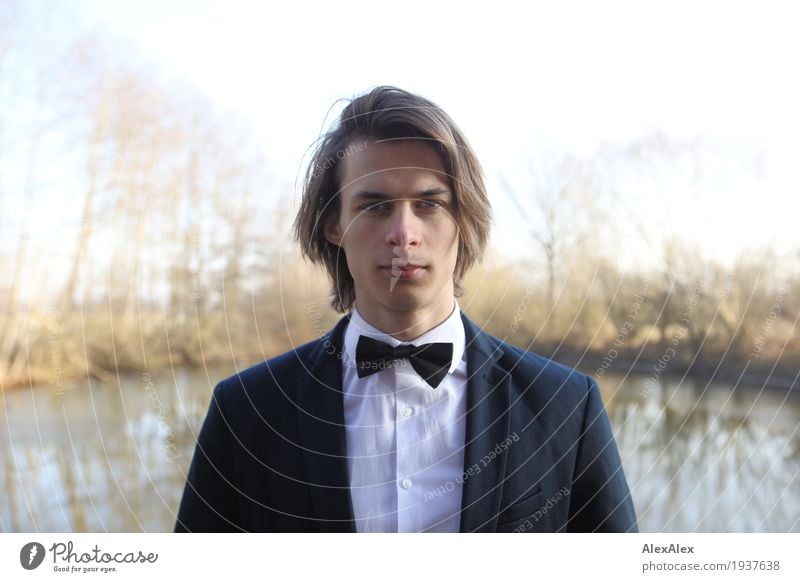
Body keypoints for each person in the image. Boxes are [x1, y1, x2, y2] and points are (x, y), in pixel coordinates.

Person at [174, 86, 638, 533]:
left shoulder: (566, 406)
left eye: (430, 203)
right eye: (374, 207)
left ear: (464, 220)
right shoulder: (246, 411)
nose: (403, 233)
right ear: (334, 224)